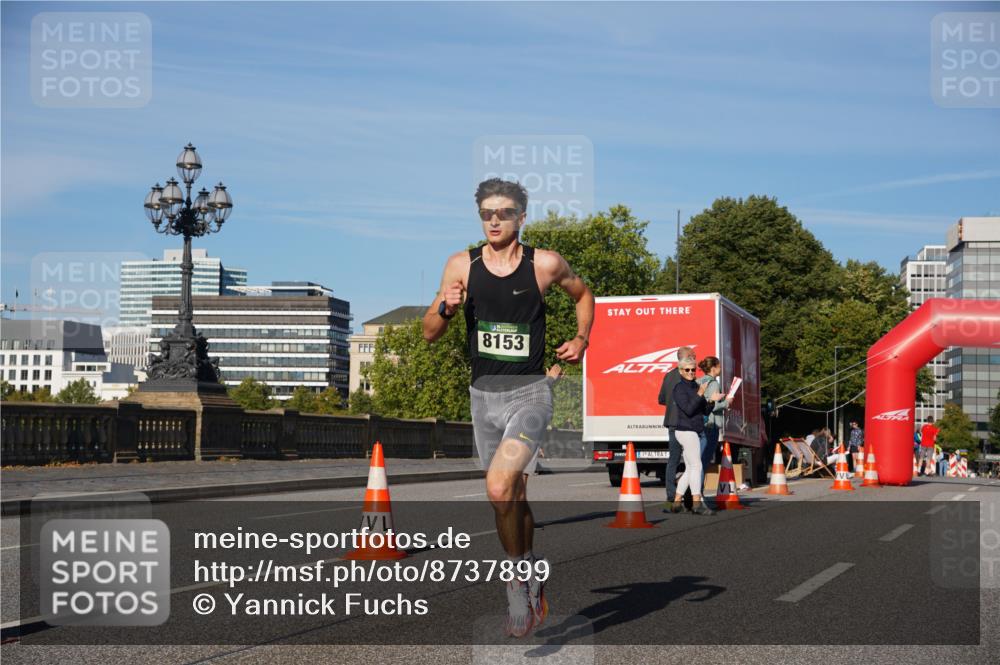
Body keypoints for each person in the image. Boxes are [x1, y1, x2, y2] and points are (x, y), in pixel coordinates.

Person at [422, 178, 594, 638]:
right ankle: (530, 569)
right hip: (484, 397)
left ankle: (516, 583)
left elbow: (583, 295)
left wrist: (581, 339)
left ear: (521, 217)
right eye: (486, 214)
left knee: (500, 489)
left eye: (503, 213)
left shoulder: (545, 265)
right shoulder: (462, 265)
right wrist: (445, 305)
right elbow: (429, 333)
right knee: (514, 496)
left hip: (530, 394)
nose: (494, 220)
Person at [670, 357, 725, 515]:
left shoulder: (695, 386)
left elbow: (704, 411)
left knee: (690, 469)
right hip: (686, 431)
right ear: (681, 371)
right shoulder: (679, 388)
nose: (691, 372)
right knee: (697, 466)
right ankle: (696, 504)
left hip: (695, 430)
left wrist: (712, 401)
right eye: (687, 370)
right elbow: (688, 409)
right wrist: (700, 393)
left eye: (693, 369)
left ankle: (676, 501)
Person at [658, 346, 696, 509]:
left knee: (673, 460)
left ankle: (671, 494)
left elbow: (661, 399)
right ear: (685, 358)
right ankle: (689, 496)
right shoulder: (687, 376)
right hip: (686, 423)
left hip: (672, 423)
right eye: (692, 356)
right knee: (692, 461)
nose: (694, 358)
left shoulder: (668, 376)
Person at [696, 356, 730, 488]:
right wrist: (726, 403)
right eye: (719, 366)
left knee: (697, 461)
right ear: (713, 368)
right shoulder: (714, 383)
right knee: (703, 462)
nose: (721, 369)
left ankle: (693, 492)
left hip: (701, 424)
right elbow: (713, 405)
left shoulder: (700, 381)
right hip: (711, 424)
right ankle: (697, 494)